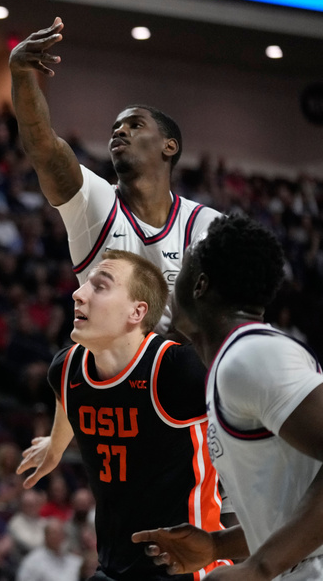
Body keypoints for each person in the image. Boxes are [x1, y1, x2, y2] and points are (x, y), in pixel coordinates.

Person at [16, 249, 226, 580]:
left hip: (189, 570)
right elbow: (65, 400)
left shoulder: (175, 370)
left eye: (99, 286)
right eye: (85, 285)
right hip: (113, 568)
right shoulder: (67, 368)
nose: (77, 293)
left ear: (136, 311)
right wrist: (55, 446)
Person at [133, 215, 323, 580]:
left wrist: (260, 567)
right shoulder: (235, 362)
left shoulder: (250, 357)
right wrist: (219, 546)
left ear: (200, 285)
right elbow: (291, 508)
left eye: (184, 264)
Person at [8, 18, 222, 329]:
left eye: (135, 125)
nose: (120, 131)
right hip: (112, 367)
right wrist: (22, 75)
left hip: (179, 366)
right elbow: (44, 147)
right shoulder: (96, 202)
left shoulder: (207, 224)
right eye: (116, 128)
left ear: (169, 146)